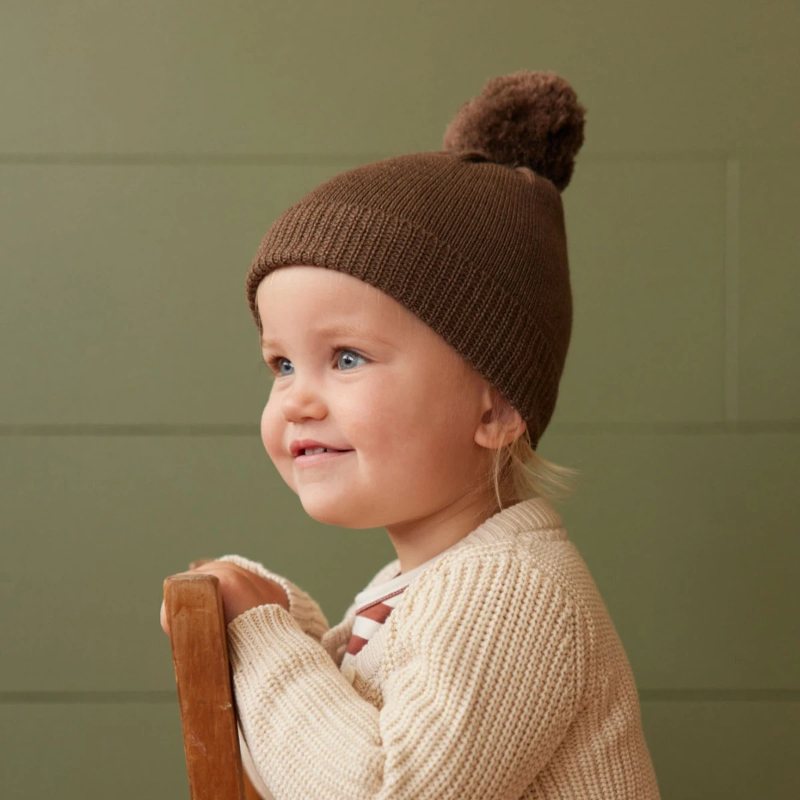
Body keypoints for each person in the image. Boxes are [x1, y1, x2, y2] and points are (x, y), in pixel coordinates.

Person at [161, 70, 662, 799]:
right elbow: (305, 763)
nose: (298, 397)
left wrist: (263, 633)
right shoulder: (418, 586)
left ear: (495, 407)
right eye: (281, 363)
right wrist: (267, 614)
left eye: (348, 358)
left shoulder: (513, 593)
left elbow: (377, 792)